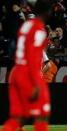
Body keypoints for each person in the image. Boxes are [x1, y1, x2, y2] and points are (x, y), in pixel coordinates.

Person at [2, 0, 53, 131]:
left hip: (16, 71)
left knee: (18, 118)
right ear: (47, 12)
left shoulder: (25, 26)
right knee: (42, 114)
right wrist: (36, 82)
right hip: (29, 73)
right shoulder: (39, 30)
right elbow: (32, 57)